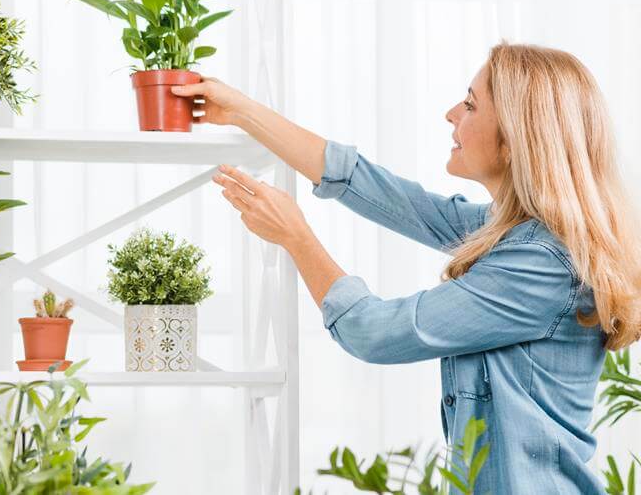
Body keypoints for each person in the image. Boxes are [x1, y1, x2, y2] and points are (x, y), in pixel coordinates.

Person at [171, 42, 641, 493]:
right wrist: (239, 111)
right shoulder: (515, 234)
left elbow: (374, 332)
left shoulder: (542, 264)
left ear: (517, 139)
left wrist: (296, 236)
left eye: (471, 105)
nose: (452, 114)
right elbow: (384, 193)